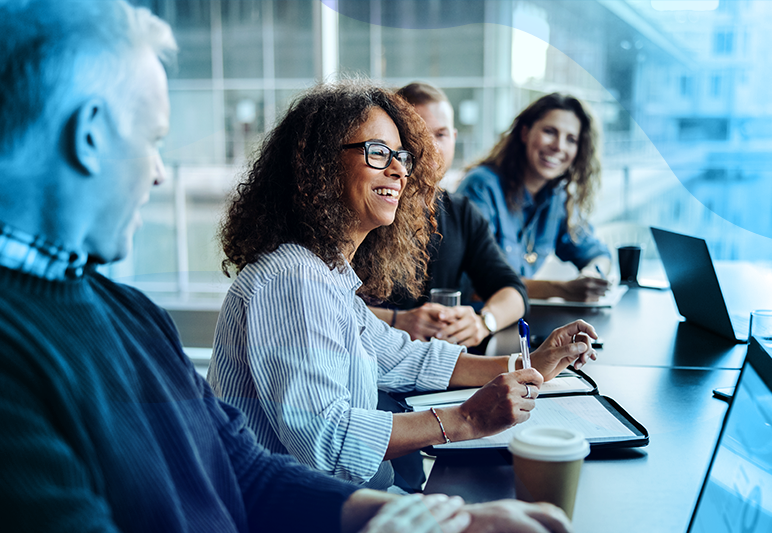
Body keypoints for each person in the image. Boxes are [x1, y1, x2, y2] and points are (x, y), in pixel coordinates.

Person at [0, 2, 576, 532]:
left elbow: (238, 465)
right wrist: (464, 422)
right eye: (154, 138)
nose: (159, 172)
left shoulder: (124, 309)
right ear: (92, 135)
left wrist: (436, 520)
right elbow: (313, 446)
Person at [209, 78, 599, 492]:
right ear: (318, 166)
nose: (399, 169)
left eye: (401, 156)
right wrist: (466, 419)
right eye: (378, 153)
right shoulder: (292, 279)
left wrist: (528, 365)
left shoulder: (326, 273)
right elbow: (327, 442)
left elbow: (404, 359)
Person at [367, 82, 528, 349]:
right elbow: (327, 302)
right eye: (417, 135)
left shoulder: (461, 212)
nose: (430, 147)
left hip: (444, 371)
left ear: (454, 138)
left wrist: (483, 322)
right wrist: (397, 321)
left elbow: (513, 291)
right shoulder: (371, 206)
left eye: (440, 135)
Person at [457, 93, 611, 302]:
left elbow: (597, 253)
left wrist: (592, 275)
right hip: (477, 322)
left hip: (520, 320)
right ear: (524, 133)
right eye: (550, 132)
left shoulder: (557, 197)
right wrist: (563, 289)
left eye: (571, 139)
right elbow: (477, 285)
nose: (559, 146)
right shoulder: (482, 187)